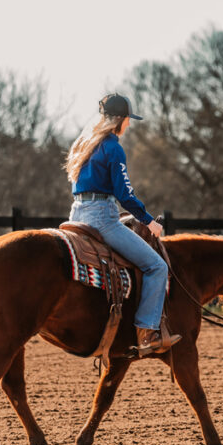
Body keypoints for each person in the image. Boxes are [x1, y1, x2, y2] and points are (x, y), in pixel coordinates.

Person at [63, 93, 181, 356]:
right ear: (118, 120)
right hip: (102, 218)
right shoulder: (113, 148)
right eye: (128, 119)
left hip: (76, 215)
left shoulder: (83, 144)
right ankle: (147, 331)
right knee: (157, 266)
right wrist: (149, 221)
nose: (128, 125)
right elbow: (125, 194)